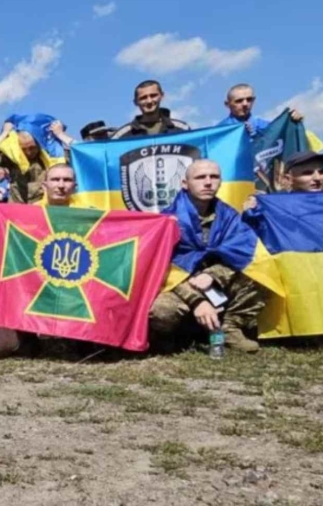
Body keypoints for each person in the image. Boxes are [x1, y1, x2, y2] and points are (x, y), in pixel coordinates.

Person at [150, 160, 263, 353]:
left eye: (214, 177)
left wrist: (214, 275)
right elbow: (163, 272)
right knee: (160, 311)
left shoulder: (230, 217)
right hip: (181, 287)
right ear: (185, 184)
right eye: (200, 177)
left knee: (263, 274)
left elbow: (245, 253)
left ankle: (228, 328)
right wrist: (197, 301)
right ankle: (179, 334)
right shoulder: (167, 220)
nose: (208, 182)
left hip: (215, 284)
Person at [0, 120, 73, 204]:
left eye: (32, 148)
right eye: (24, 149)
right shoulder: (13, 158)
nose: (29, 152)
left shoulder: (52, 156)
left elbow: (80, 154)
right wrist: (4, 133)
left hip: (43, 208)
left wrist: (61, 134)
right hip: (17, 207)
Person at [111, 80, 191, 138]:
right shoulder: (122, 135)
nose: (149, 101)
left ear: (162, 96)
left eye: (153, 96)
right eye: (143, 98)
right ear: (135, 102)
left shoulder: (181, 129)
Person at [220, 83, 303, 138]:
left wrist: (294, 123)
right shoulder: (220, 131)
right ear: (227, 104)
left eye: (249, 99)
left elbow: (288, 137)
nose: (245, 104)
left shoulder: (266, 127)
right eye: (239, 101)